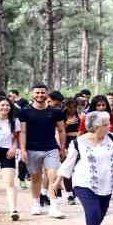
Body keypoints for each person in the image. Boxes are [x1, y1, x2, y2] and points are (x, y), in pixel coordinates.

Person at [19, 83, 67, 218]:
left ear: (46, 94)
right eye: (37, 92)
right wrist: (22, 149)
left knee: (53, 176)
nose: (40, 95)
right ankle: (35, 204)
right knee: (36, 178)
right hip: (32, 149)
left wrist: (62, 148)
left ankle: (54, 206)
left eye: (42, 92)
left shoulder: (56, 112)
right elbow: (22, 132)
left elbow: (62, 130)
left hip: (51, 148)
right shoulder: (24, 112)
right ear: (32, 94)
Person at [62, 98, 80, 205]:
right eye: (69, 107)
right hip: (66, 142)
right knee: (67, 167)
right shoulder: (61, 115)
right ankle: (69, 194)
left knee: (78, 168)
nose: (72, 109)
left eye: (74, 106)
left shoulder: (80, 115)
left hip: (79, 141)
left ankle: (76, 191)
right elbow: (58, 130)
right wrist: (67, 124)